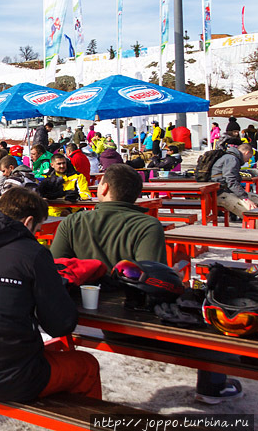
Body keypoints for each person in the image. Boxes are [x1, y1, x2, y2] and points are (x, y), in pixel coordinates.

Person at [51, 163, 242, 404]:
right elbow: (153, 279)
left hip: (79, 313)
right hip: (131, 320)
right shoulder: (147, 225)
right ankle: (212, 385)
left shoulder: (73, 222)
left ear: (104, 187)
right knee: (213, 319)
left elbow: (56, 266)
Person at [0, 187, 99, 409]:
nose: (36, 236)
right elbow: (61, 325)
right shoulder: (32, 253)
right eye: (38, 230)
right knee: (86, 365)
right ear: (28, 222)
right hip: (13, 379)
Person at [211, 141, 258, 217]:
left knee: (255, 199)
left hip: (224, 191)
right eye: (249, 157)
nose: (248, 160)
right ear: (246, 152)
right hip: (219, 193)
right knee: (250, 212)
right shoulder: (232, 159)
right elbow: (231, 181)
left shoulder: (230, 157)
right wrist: (245, 198)